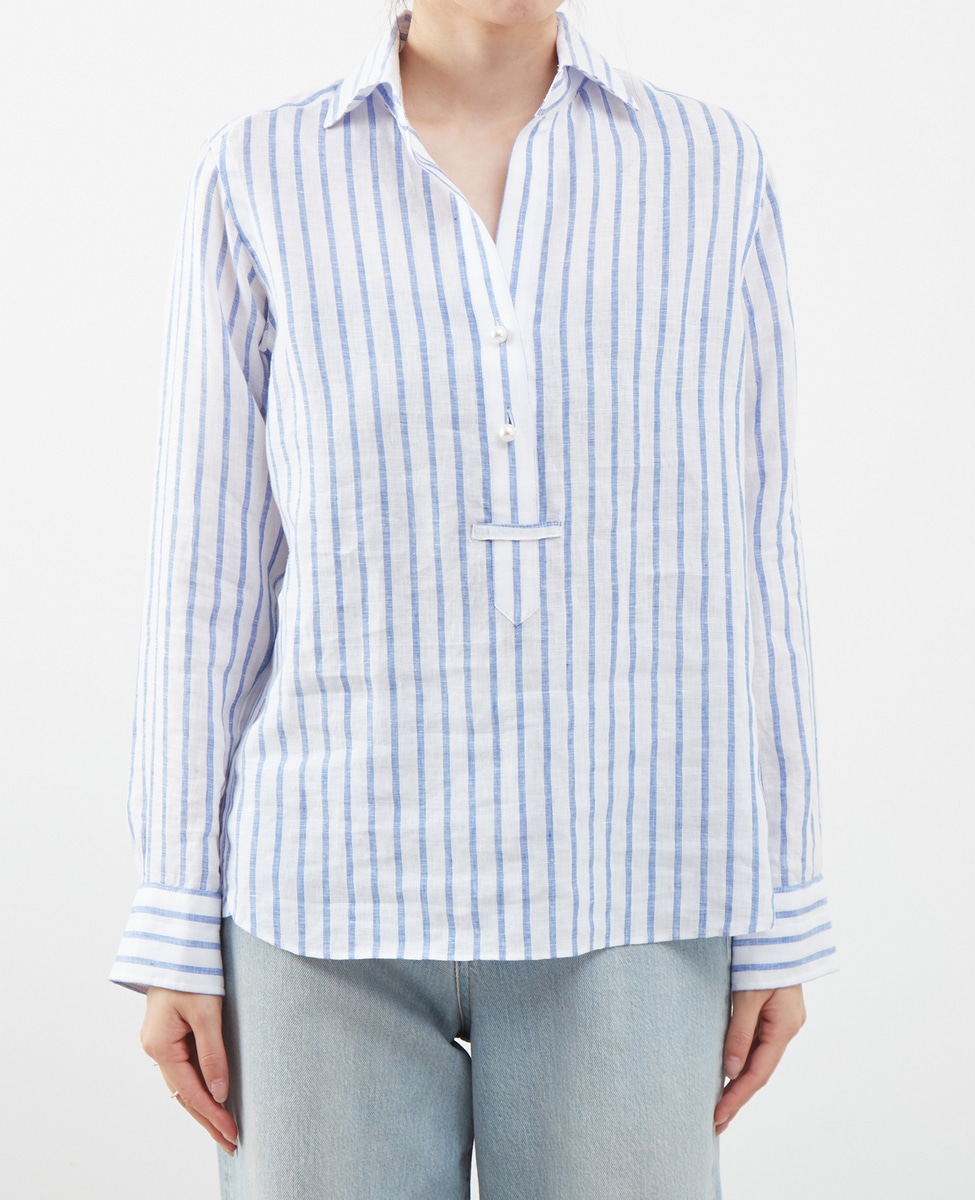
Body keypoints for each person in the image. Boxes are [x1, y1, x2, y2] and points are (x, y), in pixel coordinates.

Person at [110, 2, 838, 1196]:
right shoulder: (258, 173)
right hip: (321, 897)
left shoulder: (713, 168)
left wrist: (784, 896)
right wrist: (177, 907)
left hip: (631, 876)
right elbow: (209, 565)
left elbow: (756, 545)